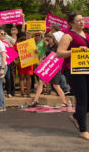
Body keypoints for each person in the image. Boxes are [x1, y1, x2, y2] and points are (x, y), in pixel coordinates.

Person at [57, 12, 89, 140]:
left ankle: (76, 116)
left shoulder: (86, 35)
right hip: (73, 71)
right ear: (71, 23)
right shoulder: (68, 36)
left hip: (86, 69)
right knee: (82, 99)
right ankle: (83, 130)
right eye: (79, 21)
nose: (82, 22)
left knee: (87, 100)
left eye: (83, 20)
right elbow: (59, 53)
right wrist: (75, 51)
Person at [29, 33, 68, 107]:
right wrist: (44, 58)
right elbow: (47, 55)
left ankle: (65, 102)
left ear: (52, 38)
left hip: (55, 66)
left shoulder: (57, 46)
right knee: (40, 82)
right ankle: (36, 100)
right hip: (48, 66)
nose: (47, 41)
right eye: (46, 39)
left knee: (56, 85)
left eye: (48, 39)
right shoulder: (48, 46)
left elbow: (60, 55)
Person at [14, 32, 33, 97]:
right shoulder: (15, 45)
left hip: (28, 62)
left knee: (28, 77)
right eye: (21, 40)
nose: (22, 41)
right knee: (21, 77)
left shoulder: (29, 43)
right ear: (18, 39)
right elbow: (14, 54)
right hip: (20, 62)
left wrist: (35, 51)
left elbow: (33, 51)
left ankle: (28, 92)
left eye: (24, 39)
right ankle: (22, 92)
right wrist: (16, 60)